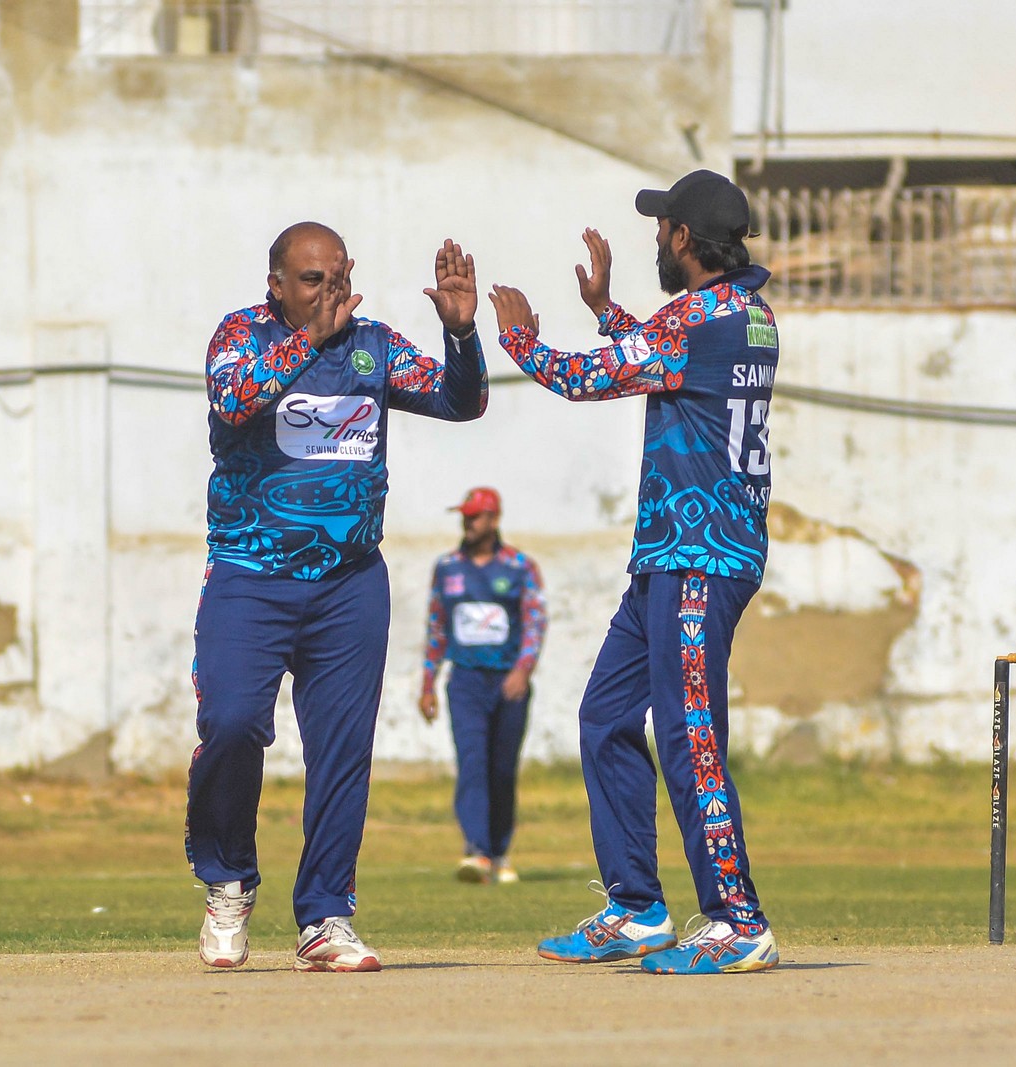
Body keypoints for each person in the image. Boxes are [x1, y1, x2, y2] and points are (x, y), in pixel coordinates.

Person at [488, 169, 781, 975]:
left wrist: (519, 340)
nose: (655, 236)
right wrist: (606, 311)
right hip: (670, 557)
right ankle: (638, 906)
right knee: (606, 715)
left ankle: (738, 920)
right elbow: (667, 357)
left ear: (684, 237)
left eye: (661, 226)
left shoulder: (697, 319)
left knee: (690, 736)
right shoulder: (745, 314)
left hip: (698, 557)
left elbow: (596, 376)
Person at [188, 222, 487, 973]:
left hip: (349, 583)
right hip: (251, 575)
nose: (329, 291)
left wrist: (460, 334)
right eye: (311, 280)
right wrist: (307, 342)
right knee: (230, 723)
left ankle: (324, 916)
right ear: (276, 285)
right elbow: (233, 401)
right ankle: (228, 881)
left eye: (338, 277)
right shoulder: (242, 335)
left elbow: (462, 402)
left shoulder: (374, 346)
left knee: (343, 752)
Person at [419, 486, 548, 885]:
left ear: (493, 519)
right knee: (472, 763)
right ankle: (476, 850)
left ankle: (499, 851)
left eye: (475, 516)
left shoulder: (519, 567)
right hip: (466, 682)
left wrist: (522, 671)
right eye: (465, 516)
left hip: (508, 684)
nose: (468, 523)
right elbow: (437, 626)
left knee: (502, 769)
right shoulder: (448, 567)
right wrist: (428, 682)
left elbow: (535, 622)